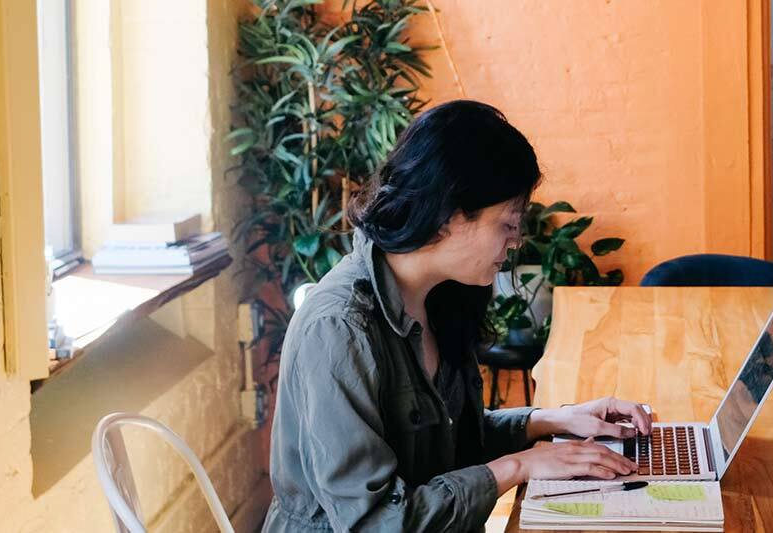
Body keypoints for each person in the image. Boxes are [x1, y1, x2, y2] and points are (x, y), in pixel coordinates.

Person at [264, 100, 656, 532]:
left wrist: (551, 420)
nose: (516, 241)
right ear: (449, 216)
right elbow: (376, 522)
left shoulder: (442, 295)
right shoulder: (339, 329)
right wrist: (518, 466)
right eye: (507, 224)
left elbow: (446, 438)